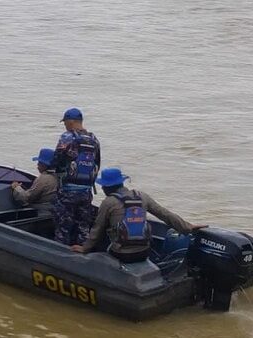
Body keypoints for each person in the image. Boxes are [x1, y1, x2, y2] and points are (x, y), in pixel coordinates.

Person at [71, 168, 207, 263]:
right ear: (121, 183)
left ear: (106, 187)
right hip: (144, 252)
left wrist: (85, 248)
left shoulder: (108, 202)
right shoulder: (142, 196)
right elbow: (165, 214)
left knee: (103, 243)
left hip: (121, 254)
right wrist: (187, 227)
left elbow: (97, 229)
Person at [50, 107, 101, 246]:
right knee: (83, 227)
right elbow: (97, 164)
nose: (65, 125)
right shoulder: (93, 139)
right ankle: (81, 256)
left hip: (67, 191)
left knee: (63, 228)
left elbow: (56, 160)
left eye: (65, 122)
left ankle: (60, 256)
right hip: (86, 192)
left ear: (71, 122)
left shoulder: (67, 137)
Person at [11, 148, 59, 216]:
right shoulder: (58, 176)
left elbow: (27, 198)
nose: (37, 165)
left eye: (39, 162)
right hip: (53, 212)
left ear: (44, 165)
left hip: (42, 213)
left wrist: (17, 188)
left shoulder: (43, 179)